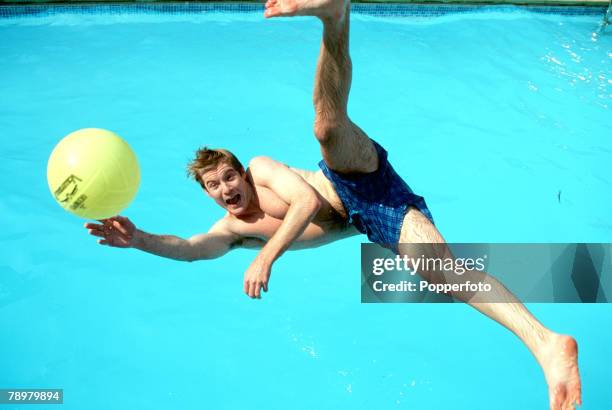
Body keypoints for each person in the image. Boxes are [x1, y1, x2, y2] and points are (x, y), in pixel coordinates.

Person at [85, 0, 582, 408]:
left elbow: (302, 203)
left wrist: (267, 255)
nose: (226, 189)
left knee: (325, 128)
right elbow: (191, 248)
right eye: (213, 186)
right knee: (443, 275)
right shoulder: (233, 230)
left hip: (355, 177)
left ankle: (334, 17)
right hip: (377, 219)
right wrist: (141, 241)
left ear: (240, 171)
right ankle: (547, 343)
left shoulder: (262, 170)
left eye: (228, 177)